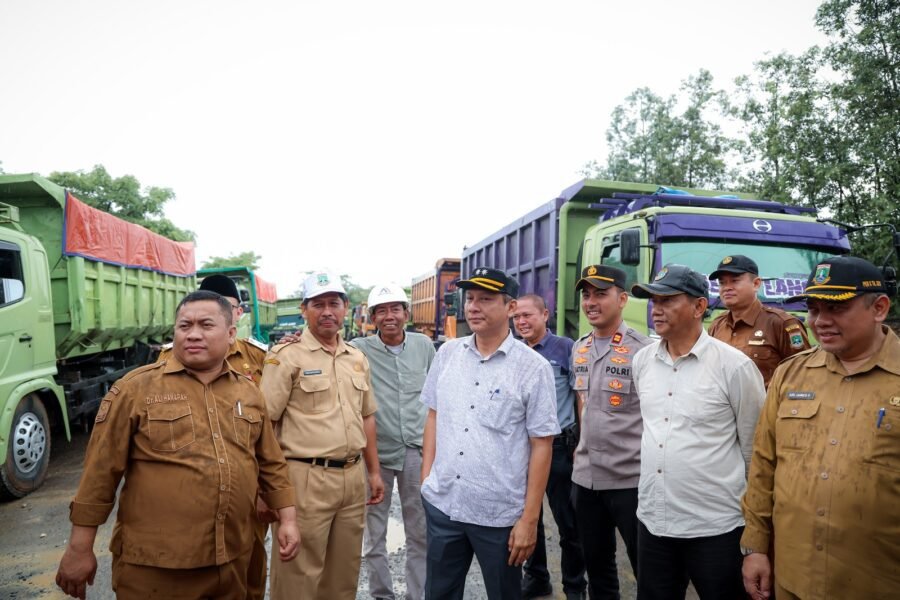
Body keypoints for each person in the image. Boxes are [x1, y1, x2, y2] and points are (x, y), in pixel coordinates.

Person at [55, 290, 299, 600]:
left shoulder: (248, 392)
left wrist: (288, 519)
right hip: (157, 568)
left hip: (232, 558)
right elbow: (99, 474)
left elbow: (271, 462)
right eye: (185, 326)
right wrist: (80, 548)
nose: (193, 334)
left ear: (231, 334)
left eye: (206, 325)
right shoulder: (135, 389)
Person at [741, 256, 900, 600]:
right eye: (813, 309)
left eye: (836, 308)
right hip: (793, 577)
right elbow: (764, 465)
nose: (820, 321)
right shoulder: (790, 374)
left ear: (879, 308)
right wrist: (754, 546)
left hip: (876, 582)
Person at [420, 267, 559, 600]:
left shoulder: (533, 367)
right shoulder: (448, 354)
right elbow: (434, 416)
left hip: (498, 516)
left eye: (485, 299)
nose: (473, 307)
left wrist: (529, 519)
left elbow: (542, 444)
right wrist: (427, 479)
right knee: (438, 593)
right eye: (470, 298)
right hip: (444, 506)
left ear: (510, 307)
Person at [630, 264, 766, 599]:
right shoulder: (642, 362)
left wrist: (757, 539)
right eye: (653, 300)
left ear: (699, 307)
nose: (656, 309)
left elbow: (757, 453)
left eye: (667, 300)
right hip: (654, 522)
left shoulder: (734, 366)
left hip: (715, 528)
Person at [260, 271, 385, 600]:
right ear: (304, 310)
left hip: (352, 478)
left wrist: (374, 471)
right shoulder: (285, 357)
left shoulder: (356, 358)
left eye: (334, 303)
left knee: (343, 575)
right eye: (318, 304)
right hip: (305, 478)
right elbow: (264, 426)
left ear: (346, 308)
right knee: (298, 575)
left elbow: (367, 416)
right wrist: (264, 488)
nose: (327, 311)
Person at [157, 274, 272, 600]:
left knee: (250, 561)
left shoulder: (258, 357)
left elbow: (268, 430)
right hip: (192, 482)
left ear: (237, 314)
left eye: (229, 306)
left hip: (246, 482)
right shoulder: (169, 358)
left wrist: (267, 489)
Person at [569, 265, 651, 600]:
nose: (591, 302)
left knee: (647, 568)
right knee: (598, 567)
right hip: (585, 479)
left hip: (630, 479)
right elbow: (581, 405)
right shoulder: (579, 348)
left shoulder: (644, 350)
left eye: (601, 294)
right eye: (586, 295)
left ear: (622, 299)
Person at [350, 283, 435, 600]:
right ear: (372, 317)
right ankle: (382, 595)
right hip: (376, 454)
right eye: (382, 311)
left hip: (416, 451)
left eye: (395, 309)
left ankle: (417, 595)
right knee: (374, 534)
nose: (389, 316)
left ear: (406, 314)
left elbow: (436, 394)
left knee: (420, 532)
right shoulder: (359, 349)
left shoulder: (423, 346)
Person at [512, 293, 587, 600]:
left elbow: (580, 397)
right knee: (528, 518)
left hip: (558, 449)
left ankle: (575, 587)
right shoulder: (513, 351)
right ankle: (537, 577)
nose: (521, 322)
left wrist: (581, 444)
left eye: (528, 315)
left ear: (545, 315)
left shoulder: (565, 348)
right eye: (517, 317)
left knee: (569, 524)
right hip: (521, 451)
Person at [707, 255, 810, 386]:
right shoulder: (717, 325)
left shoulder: (781, 323)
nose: (727, 287)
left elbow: (803, 376)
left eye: (734, 281)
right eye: (722, 283)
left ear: (756, 284)